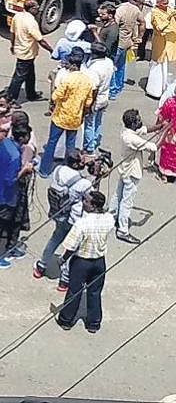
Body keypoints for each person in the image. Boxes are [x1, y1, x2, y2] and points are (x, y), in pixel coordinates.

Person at [56, 190, 113, 333]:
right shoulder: (109, 219)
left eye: (86, 201)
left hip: (82, 261)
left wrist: (63, 259)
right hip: (99, 261)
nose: (83, 203)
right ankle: (93, 323)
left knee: (74, 291)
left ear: (93, 206)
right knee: (95, 292)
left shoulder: (82, 223)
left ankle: (66, 320)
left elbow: (71, 246)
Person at [34, 152, 92, 291]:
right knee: (72, 249)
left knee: (55, 239)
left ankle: (41, 266)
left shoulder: (58, 170)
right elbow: (93, 198)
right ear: (76, 164)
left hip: (58, 214)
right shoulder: (84, 183)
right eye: (82, 160)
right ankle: (65, 280)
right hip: (74, 219)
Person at [0, 121, 32, 268]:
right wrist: (24, 170)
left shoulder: (5, 143)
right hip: (9, 193)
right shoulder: (15, 156)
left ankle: (10, 247)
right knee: (0, 221)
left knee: (13, 219)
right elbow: (11, 180)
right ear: (23, 137)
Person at [109, 108, 159, 244]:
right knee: (127, 202)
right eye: (138, 120)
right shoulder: (131, 138)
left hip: (125, 171)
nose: (140, 121)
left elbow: (144, 130)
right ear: (132, 124)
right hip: (131, 173)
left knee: (118, 196)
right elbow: (154, 147)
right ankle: (123, 231)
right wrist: (165, 132)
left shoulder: (127, 131)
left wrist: (160, 126)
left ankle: (111, 217)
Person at [42, 48, 95, 178]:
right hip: (75, 118)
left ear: (71, 64)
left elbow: (55, 96)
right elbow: (88, 102)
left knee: (52, 143)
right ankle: (68, 172)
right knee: (70, 147)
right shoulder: (87, 80)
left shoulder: (67, 79)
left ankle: (45, 170)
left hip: (61, 116)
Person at [5, 0, 52, 103]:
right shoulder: (31, 22)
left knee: (30, 75)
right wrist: (51, 50)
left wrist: (12, 45)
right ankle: (10, 99)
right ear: (31, 9)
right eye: (36, 8)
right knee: (19, 77)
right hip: (26, 53)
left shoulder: (17, 16)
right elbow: (40, 40)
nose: (38, 9)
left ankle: (31, 94)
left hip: (23, 51)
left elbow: (12, 33)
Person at [82, 42, 114, 151]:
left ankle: (89, 147)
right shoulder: (109, 62)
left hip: (96, 100)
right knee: (98, 122)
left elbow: (93, 89)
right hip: (105, 97)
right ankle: (95, 140)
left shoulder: (94, 69)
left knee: (89, 124)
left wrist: (90, 104)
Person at [112, 0, 143, 99]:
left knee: (114, 66)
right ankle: (119, 86)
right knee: (121, 66)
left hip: (118, 42)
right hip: (127, 42)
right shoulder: (135, 9)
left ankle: (113, 90)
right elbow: (142, 22)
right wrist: (139, 37)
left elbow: (114, 26)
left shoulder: (119, 10)